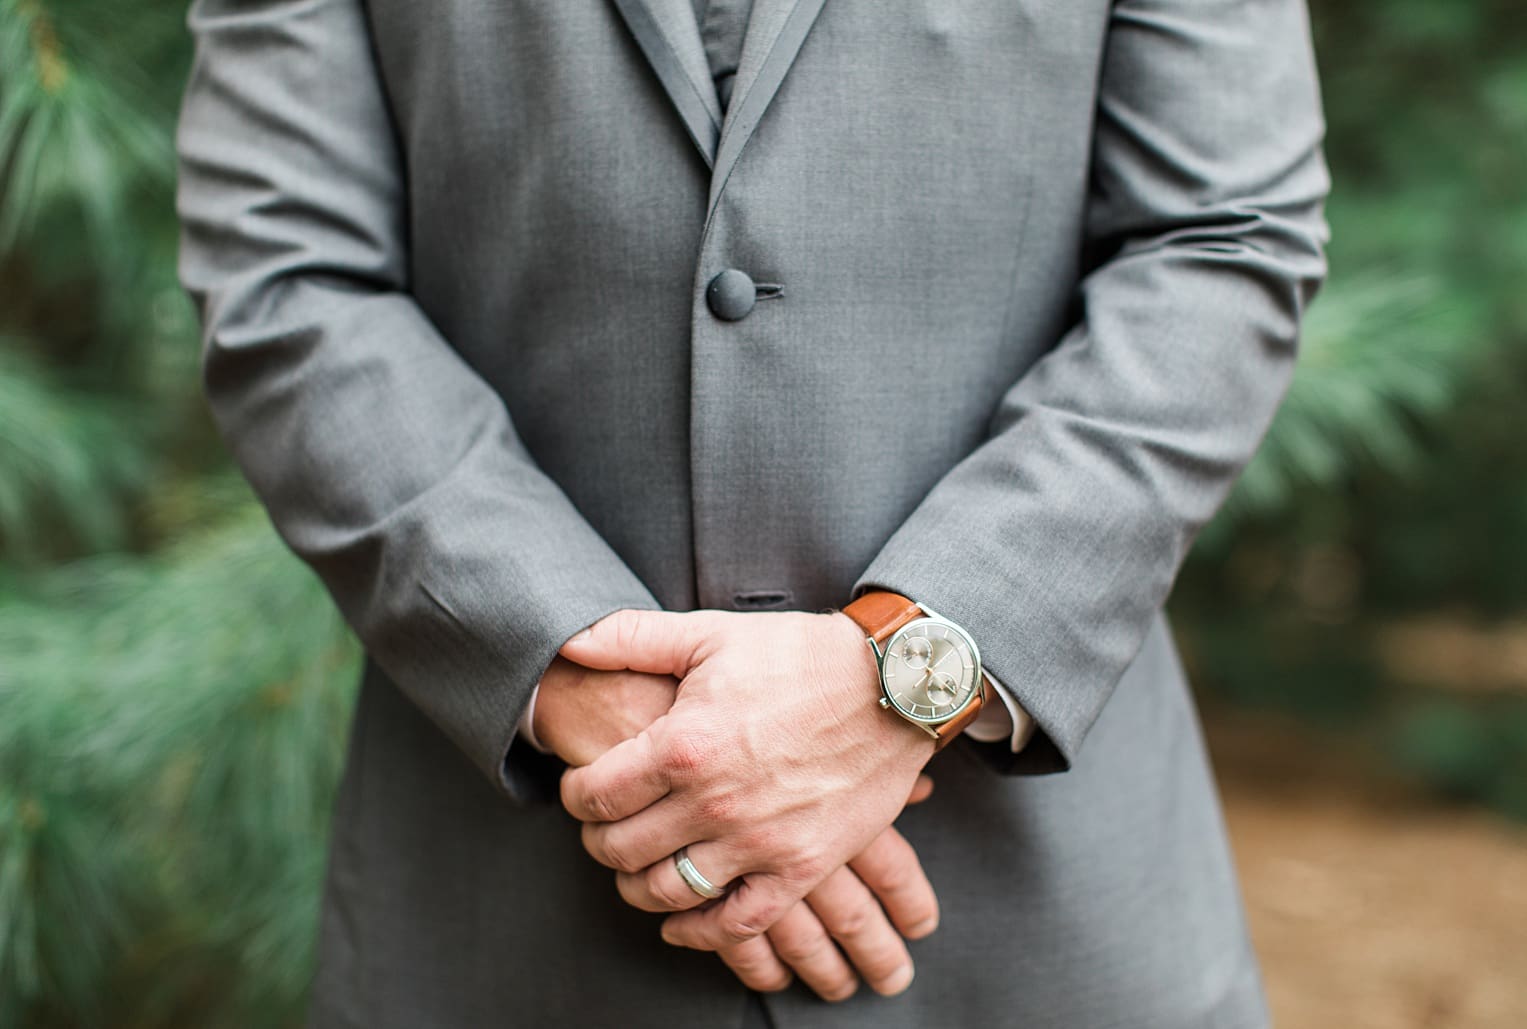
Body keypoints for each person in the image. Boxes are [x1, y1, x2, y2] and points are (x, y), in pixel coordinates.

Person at [175, 0, 1329, 1025]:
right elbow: (290, 275)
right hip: (509, 923)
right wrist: (596, 693)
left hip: (1037, 915)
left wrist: (909, 663)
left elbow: (1222, 240)